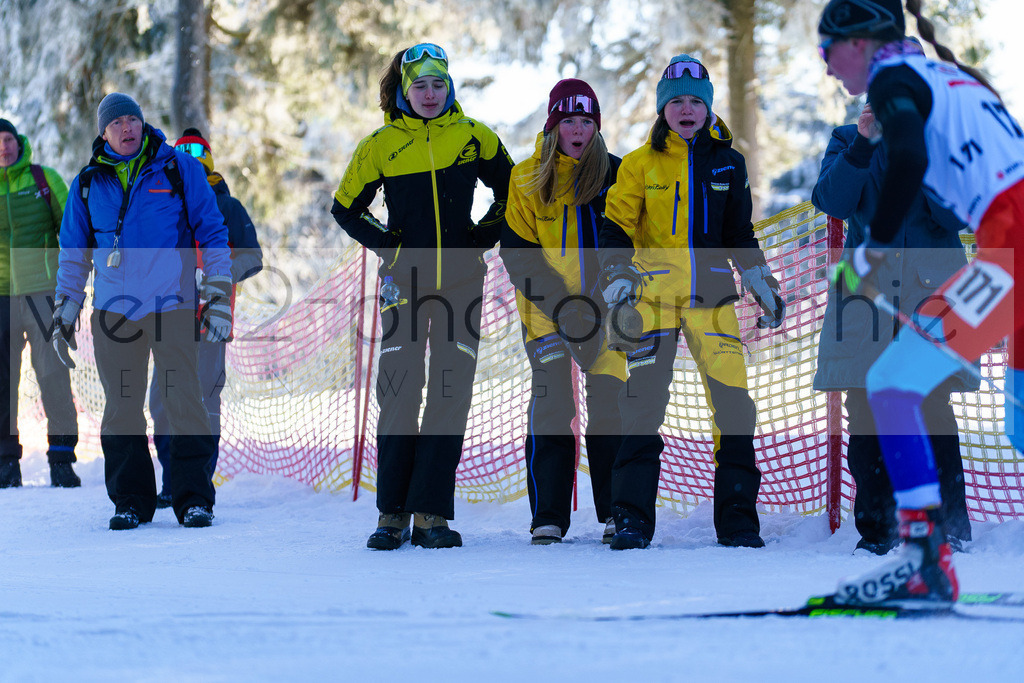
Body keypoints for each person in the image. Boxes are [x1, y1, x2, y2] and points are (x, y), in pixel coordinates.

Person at [819, 0, 1024, 603]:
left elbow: (906, 157)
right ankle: (925, 557)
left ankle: (924, 559)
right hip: (1003, 249)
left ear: (859, 44)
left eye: (827, 51)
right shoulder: (942, 76)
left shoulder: (894, 79)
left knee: (896, 385)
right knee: (903, 387)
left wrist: (872, 251)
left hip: (1010, 247)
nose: (829, 69)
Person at [597, 55, 785, 550]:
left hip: (714, 300)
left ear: (707, 108)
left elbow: (738, 233)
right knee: (641, 408)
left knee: (734, 411)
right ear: (663, 109)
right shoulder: (638, 164)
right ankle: (632, 521)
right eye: (675, 101)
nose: (685, 110)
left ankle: (739, 523)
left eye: (694, 102)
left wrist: (759, 277)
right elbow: (614, 227)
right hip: (652, 301)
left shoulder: (729, 162)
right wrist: (616, 274)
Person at [331, 44, 514, 550]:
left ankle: (431, 513)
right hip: (402, 285)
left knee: (449, 394)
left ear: (449, 88)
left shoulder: (474, 136)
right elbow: (346, 207)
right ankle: (392, 514)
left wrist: (481, 236)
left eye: (438, 85)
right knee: (398, 392)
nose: (430, 94)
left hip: (462, 283)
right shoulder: (381, 144)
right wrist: (390, 247)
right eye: (420, 86)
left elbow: (513, 191)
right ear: (404, 90)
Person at [55, 93, 232, 530]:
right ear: (104, 132)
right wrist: (66, 306)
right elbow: (74, 253)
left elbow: (213, 232)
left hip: (171, 305)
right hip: (113, 312)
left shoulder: (177, 168)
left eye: (133, 119)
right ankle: (131, 501)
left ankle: (194, 499)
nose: (128, 128)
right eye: (118, 123)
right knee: (121, 408)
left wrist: (218, 293)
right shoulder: (87, 183)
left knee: (183, 401)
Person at [812, 104, 977, 555]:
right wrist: (866, 143)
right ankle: (879, 529)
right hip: (867, 301)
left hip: (932, 298)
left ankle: (948, 526)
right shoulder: (848, 138)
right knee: (865, 409)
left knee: (931, 407)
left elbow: (952, 216)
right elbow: (831, 201)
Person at [500, 79, 625, 545]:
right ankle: (547, 516)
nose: (578, 129)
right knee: (553, 407)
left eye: (587, 121)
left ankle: (616, 511)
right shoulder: (526, 178)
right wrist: (565, 307)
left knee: (611, 407)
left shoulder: (616, 173)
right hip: (546, 314)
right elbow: (518, 254)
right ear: (553, 125)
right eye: (569, 120)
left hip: (608, 314)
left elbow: (629, 241)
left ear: (597, 127)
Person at [148, 128, 263, 509]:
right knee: (162, 399)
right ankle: (172, 479)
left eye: (200, 149)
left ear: (210, 157)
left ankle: (198, 480)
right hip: (167, 314)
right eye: (184, 150)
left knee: (205, 398)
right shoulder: (164, 199)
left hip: (212, 316)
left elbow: (252, 255)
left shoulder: (226, 204)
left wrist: (218, 273)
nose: (193, 155)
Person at [0, 118, 80, 488]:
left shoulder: (44, 179)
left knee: (54, 377)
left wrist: (71, 287)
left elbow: (72, 231)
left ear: (20, 142)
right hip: (1, 296)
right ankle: (5, 463)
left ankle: (62, 459)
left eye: (8, 139)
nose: (3, 146)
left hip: (43, 293)